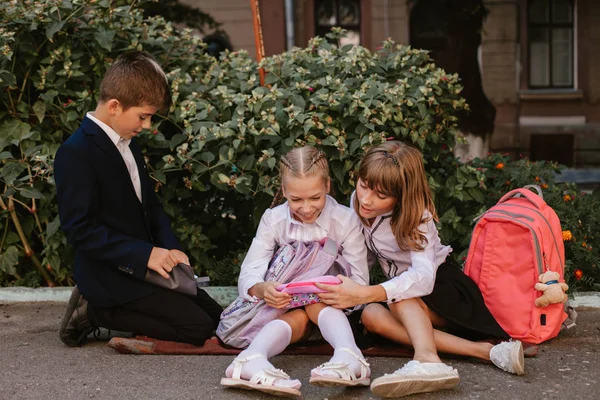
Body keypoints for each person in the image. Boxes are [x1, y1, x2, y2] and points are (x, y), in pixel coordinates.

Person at [316, 141, 525, 398]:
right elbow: (359, 253)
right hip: (406, 298)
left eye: (381, 196)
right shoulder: (358, 204)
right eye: (363, 186)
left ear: (402, 196)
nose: (366, 199)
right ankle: (485, 352)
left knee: (396, 297)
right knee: (370, 315)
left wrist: (366, 292)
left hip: (444, 291)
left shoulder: (418, 217)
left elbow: (423, 279)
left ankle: (426, 358)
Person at [54, 51, 223, 348]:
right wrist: (145, 255)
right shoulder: (76, 152)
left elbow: (151, 208)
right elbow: (79, 230)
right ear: (115, 106)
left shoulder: (129, 144)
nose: (146, 125)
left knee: (219, 319)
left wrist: (170, 248)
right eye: (143, 116)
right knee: (198, 329)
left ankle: (119, 309)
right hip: (111, 275)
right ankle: (96, 312)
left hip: (149, 269)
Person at [219, 146, 371, 397]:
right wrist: (262, 289)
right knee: (300, 315)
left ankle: (346, 352)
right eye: (296, 199)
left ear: (328, 186)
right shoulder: (274, 219)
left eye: (315, 197)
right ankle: (253, 358)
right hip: (284, 305)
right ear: (284, 191)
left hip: (333, 308)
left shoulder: (345, 220)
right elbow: (251, 271)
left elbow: (360, 280)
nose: (307, 208)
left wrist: (343, 294)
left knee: (314, 305)